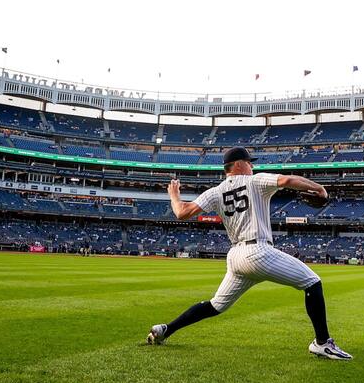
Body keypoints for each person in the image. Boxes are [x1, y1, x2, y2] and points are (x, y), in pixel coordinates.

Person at [146, 147, 352, 360]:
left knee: (216, 305)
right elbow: (287, 180)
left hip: (236, 257)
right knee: (312, 282)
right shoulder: (254, 181)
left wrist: (174, 195)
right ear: (238, 165)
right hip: (258, 252)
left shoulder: (215, 192)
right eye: (249, 162)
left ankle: (165, 330)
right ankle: (322, 343)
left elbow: (181, 212)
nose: (252, 165)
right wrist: (319, 188)